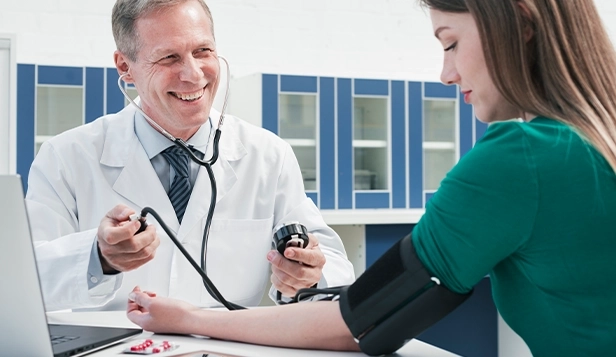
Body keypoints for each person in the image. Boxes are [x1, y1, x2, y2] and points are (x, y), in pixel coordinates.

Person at [125, 0, 616, 355]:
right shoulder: (595, 139)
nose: (446, 73)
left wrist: (190, 319)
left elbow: (360, 320)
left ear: (521, 24)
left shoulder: (522, 157)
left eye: (451, 43)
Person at [26, 0, 355, 312]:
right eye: (169, 57)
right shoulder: (65, 159)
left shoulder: (269, 156)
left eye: (203, 51)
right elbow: (26, 277)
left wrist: (308, 274)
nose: (194, 74)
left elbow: (335, 268)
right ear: (125, 67)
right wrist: (98, 258)